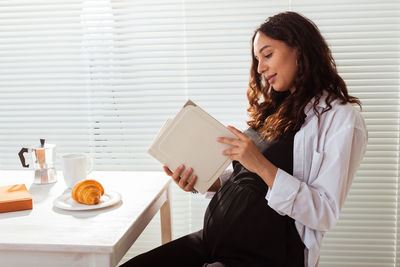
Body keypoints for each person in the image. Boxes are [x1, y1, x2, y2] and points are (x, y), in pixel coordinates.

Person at [121, 11, 367, 267]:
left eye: (268, 54)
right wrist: (206, 181)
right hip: (212, 241)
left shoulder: (340, 119)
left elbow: (324, 212)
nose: (260, 68)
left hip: (263, 256)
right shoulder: (274, 110)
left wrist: (258, 162)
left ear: (299, 49)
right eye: (257, 59)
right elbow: (249, 181)